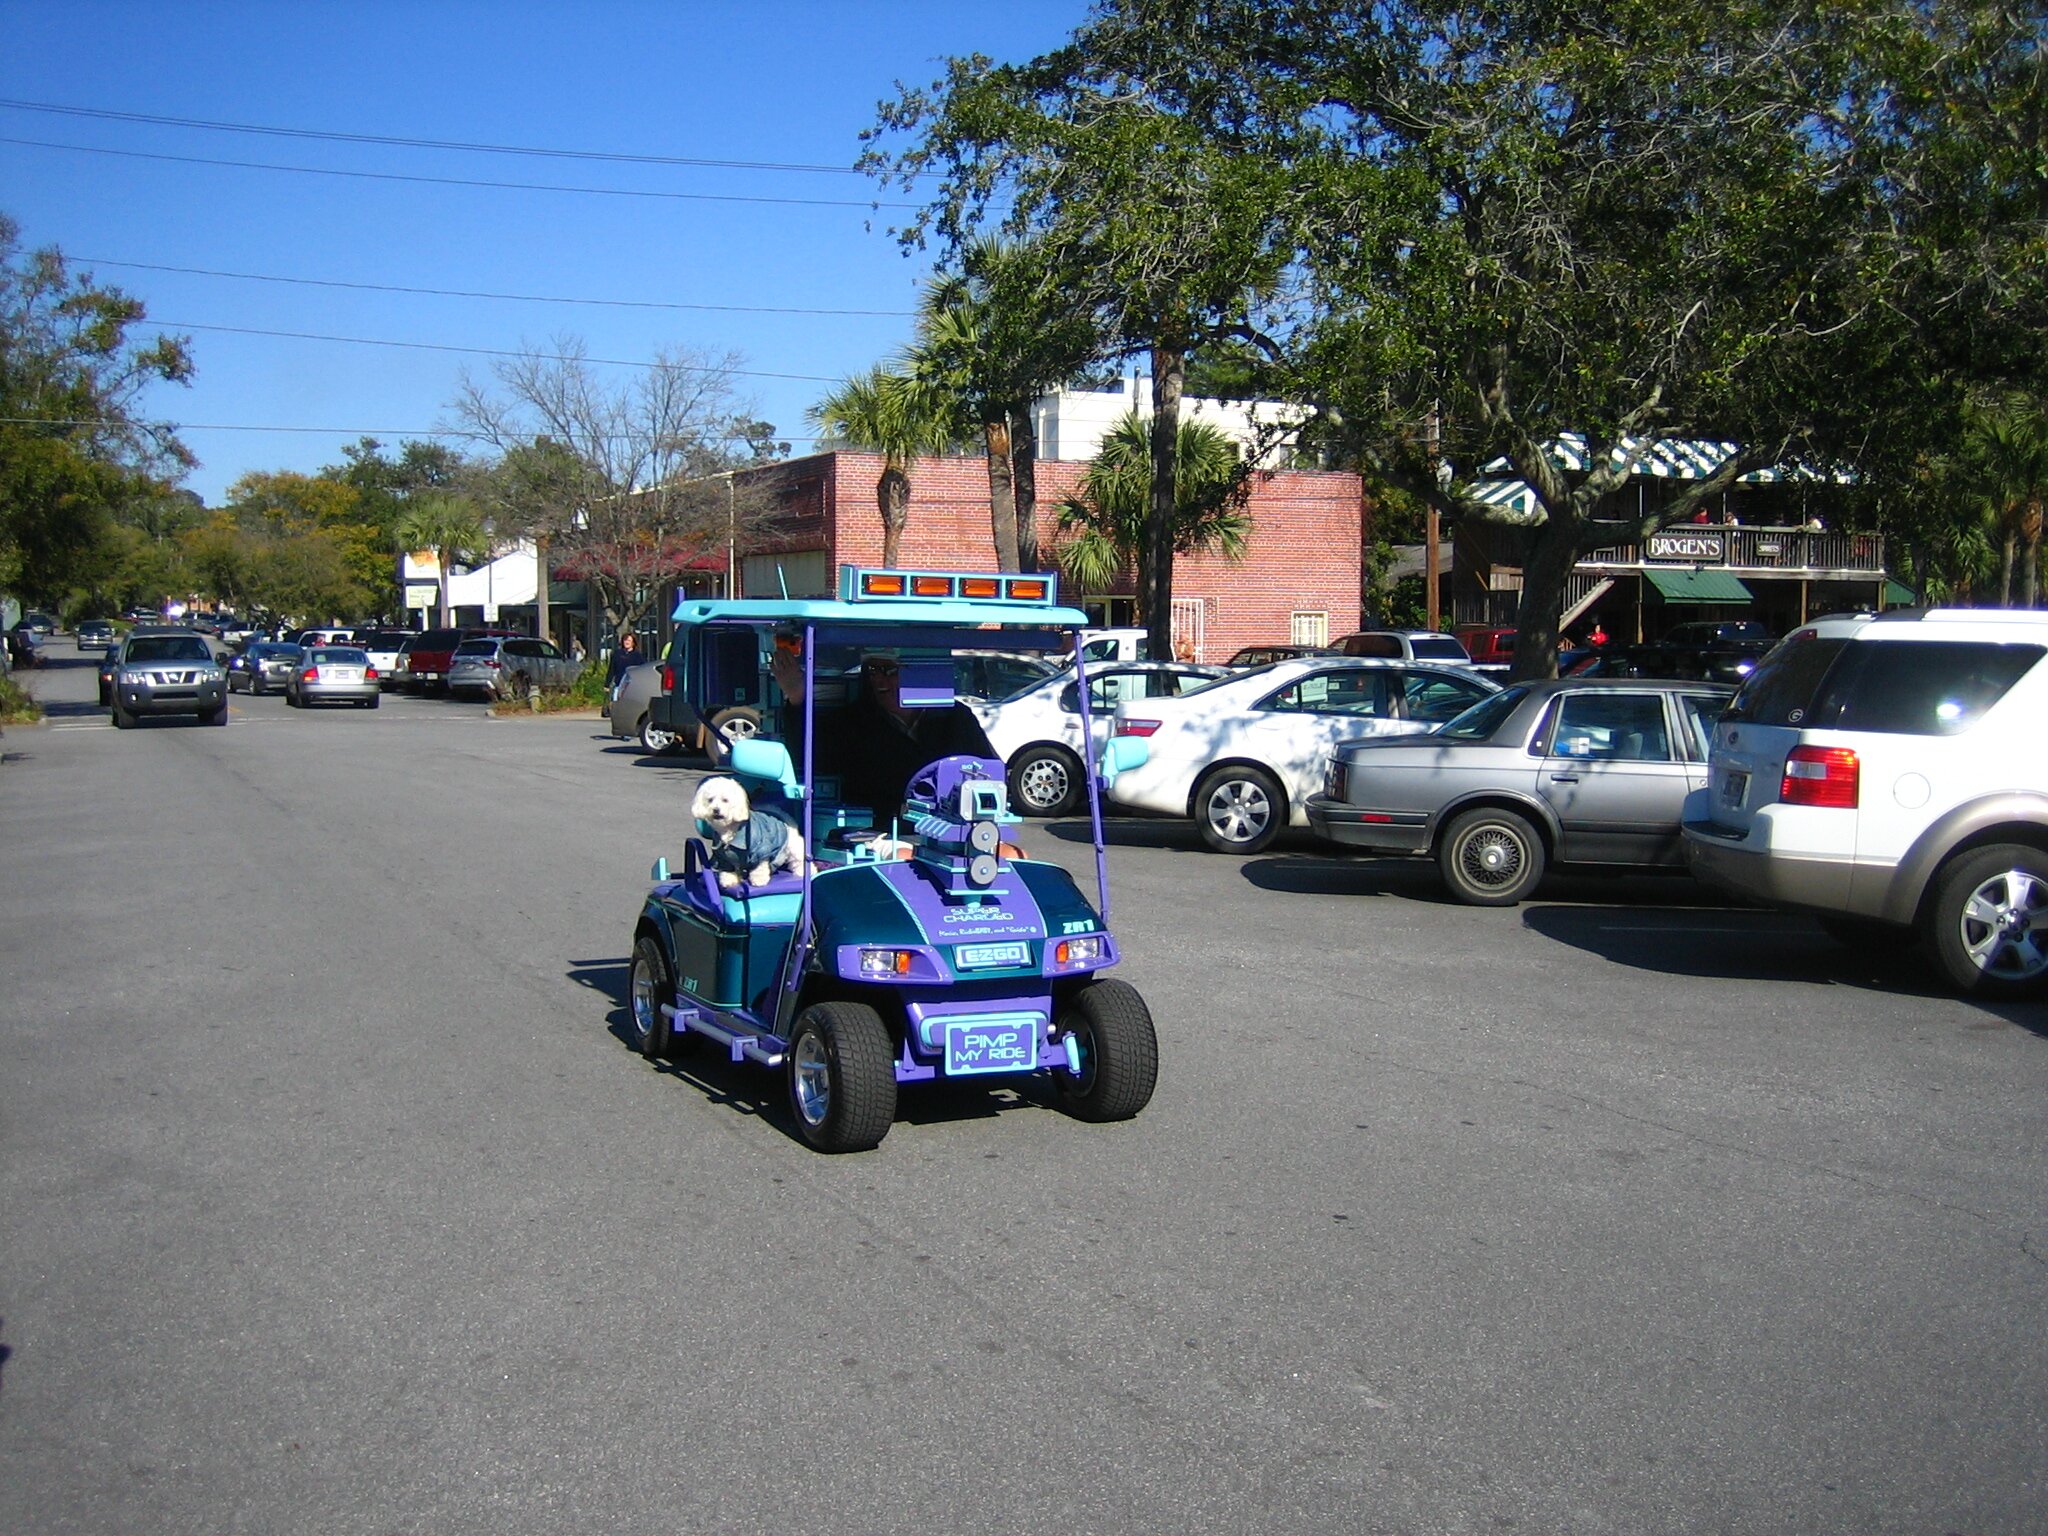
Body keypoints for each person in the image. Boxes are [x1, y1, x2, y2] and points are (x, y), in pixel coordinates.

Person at [771, 644, 1000, 827]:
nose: (879, 680)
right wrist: (797, 696)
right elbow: (810, 756)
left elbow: (989, 770)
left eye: (890, 670)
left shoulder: (956, 716)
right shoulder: (854, 720)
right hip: (880, 833)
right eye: (873, 670)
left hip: (952, 829)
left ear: (920, 673)